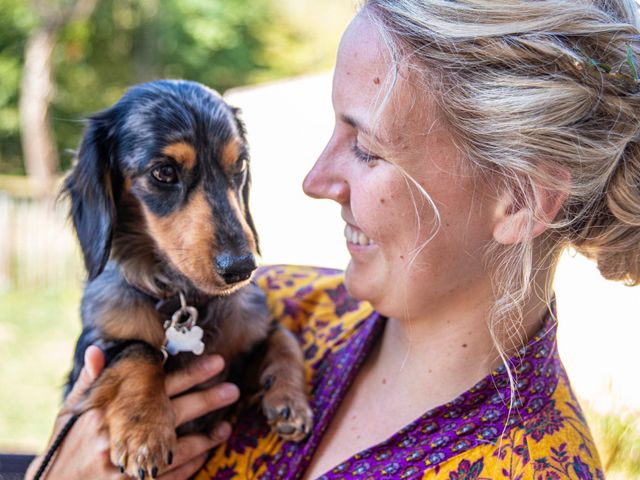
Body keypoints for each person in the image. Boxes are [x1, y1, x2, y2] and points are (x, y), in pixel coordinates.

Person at [29, 0, 640, 478]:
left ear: (520, 198)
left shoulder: (532, 466)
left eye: (367, 148)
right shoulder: (288, 303)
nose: (313, 180)